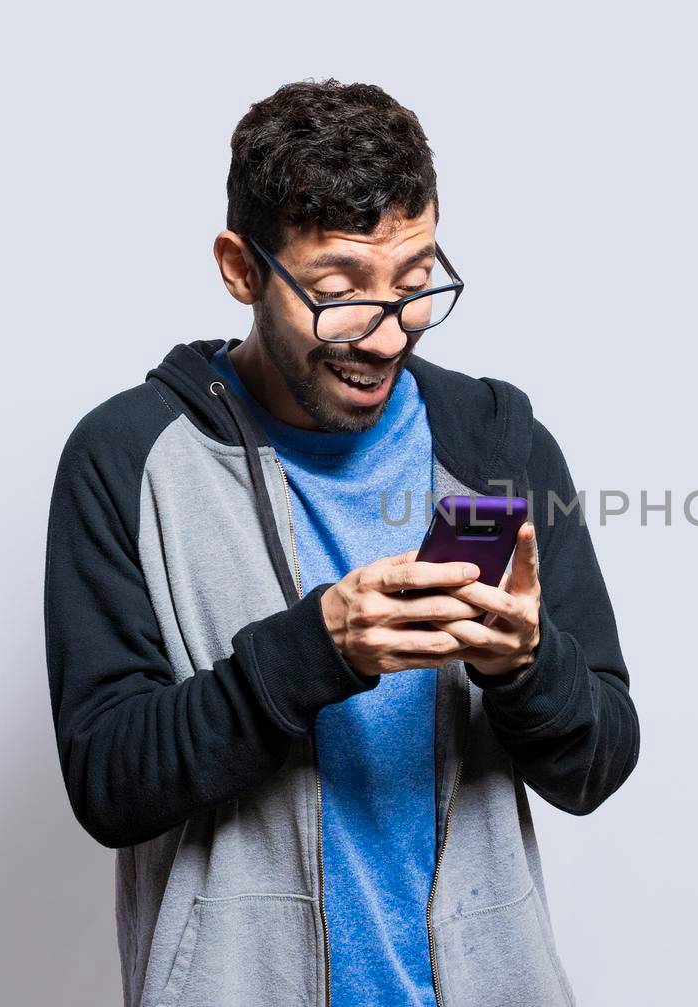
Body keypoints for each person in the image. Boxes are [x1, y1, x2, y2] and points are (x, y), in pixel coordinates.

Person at [42, 79, 639, 1007]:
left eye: (415, 283)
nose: (386, 330)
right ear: (241, 269)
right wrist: (314, 652)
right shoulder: (127, 458)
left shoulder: (494, 443)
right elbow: (110, 780)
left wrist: (525, 667)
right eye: (337, 293)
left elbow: (597, 764)